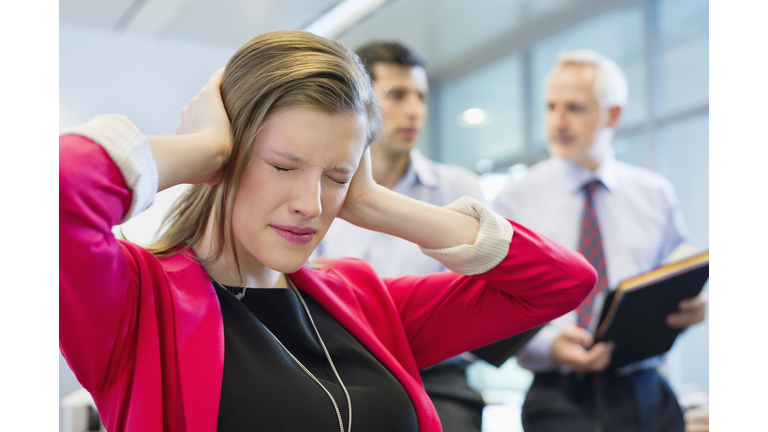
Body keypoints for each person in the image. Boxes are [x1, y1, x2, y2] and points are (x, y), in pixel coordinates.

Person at [59, 31, 597, 432]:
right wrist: (202, 150)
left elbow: (561, 282)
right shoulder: (136, 305)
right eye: (283, 166)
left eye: (337, 175)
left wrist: (373, 203)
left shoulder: (361, 299)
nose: (311, 205)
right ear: (229, 158)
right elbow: (57, 190)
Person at [492, 49, 708, 432]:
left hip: (646, 394)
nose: (558, 121)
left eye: (574, 107)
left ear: (613, 115)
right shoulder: (515, 199)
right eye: (551, 106)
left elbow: (677, 275)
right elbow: (495, 302)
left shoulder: (654, 193)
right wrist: (549, 347)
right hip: (557, 395)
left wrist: (696, 306)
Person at [313, 42, 487, 432]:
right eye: (399, 95)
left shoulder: (459, 189)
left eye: (422, 97)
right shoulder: (324, 188)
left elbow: (482, 289)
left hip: (438, 375)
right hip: (345, 369)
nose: (415, 110)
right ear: (363, 101)